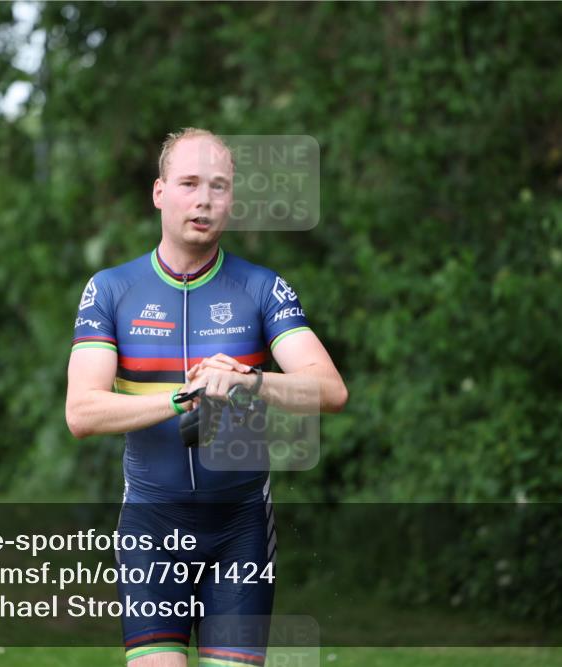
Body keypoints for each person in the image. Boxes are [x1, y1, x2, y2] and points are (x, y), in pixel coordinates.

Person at [66, 128, 347, 666]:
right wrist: (181, 399)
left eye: (218, 187)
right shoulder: (112, 290)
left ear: (232, 200)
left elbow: (330, 390)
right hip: (151, 525)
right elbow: (81, 411)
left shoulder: (262, 288)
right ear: (159, 192)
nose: (204, 199)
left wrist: (248, 381)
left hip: (239, 527)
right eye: (190, 183)